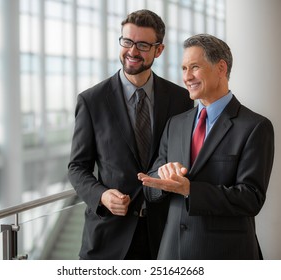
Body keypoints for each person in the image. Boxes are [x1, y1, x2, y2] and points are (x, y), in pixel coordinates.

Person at [67, 9, 194, 260]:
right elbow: (77, 167)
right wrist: (101, 195)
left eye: (143, 45)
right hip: (108, 238)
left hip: (165, 235)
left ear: (159, 50)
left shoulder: (180, 99)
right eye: (127, 41)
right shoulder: (91, 101)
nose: (132, 51)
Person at [138, 34, 274, 259]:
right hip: (173, 253)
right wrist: (161, 181)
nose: (187, 77)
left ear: (221, 68)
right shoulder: (176, 124)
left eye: (194, 67)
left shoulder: (255, 127)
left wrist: (189, 189)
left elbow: (251, 199)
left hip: (226, 254)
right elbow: (152, 185)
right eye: (183, 68)